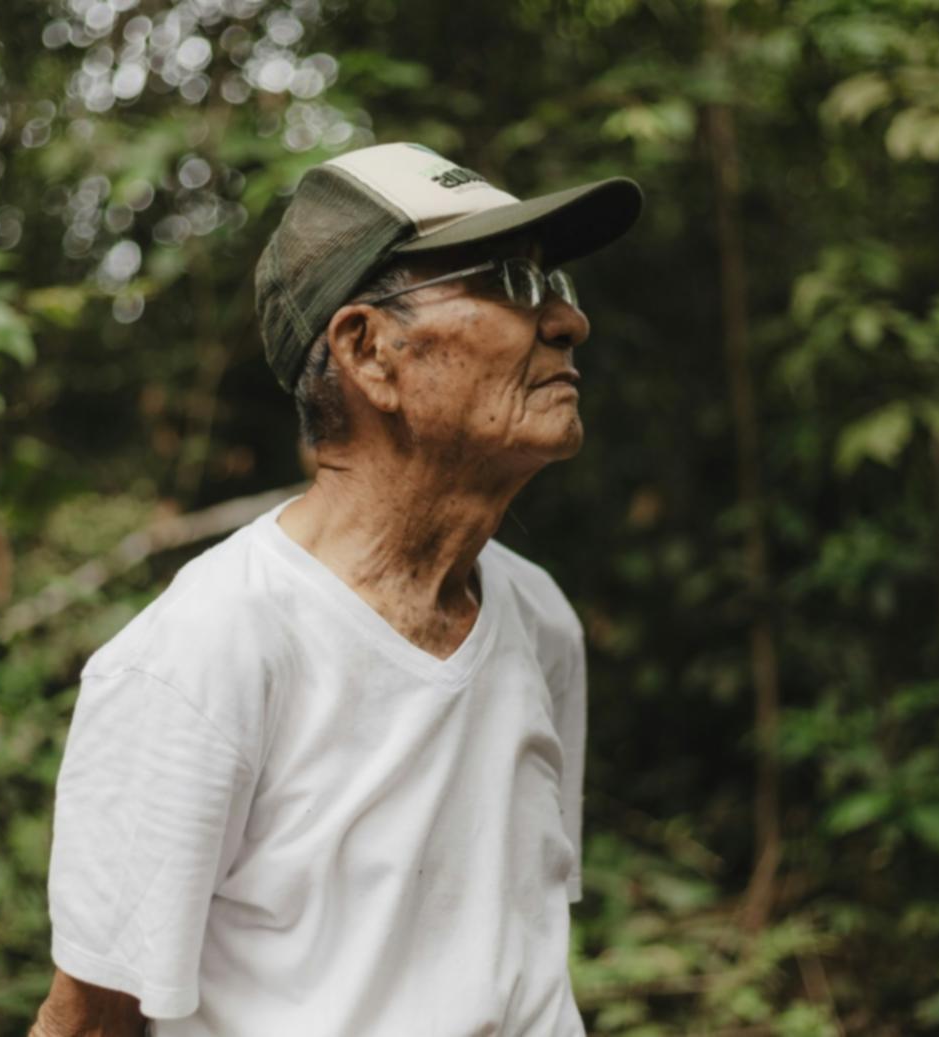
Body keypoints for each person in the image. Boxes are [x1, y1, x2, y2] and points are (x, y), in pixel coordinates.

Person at [32, 141, 643, 1037]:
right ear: (368, 351)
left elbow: (510, 941)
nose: (566, 321)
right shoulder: (202, 650)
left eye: (555, 283)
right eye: (510, 281)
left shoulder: (538, 616)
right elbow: (89, 1022)